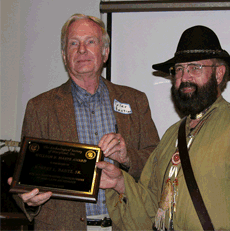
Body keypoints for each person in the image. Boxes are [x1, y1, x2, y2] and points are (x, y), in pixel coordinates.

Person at [97, 25, 230, 230]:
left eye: (195, 68)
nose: (185, 77)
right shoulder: (170, 136)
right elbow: (151, 207)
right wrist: (120, 182)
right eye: (179, 69)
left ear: (219, 74)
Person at [8, 13, 159, 230]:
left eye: (90, 42)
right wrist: (28, 201)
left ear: (105, 52)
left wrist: (127, 158)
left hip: (126, 225)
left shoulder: (135, 100)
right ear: (64, 55)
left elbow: (157, 164)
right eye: (73, 43)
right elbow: (26, 179)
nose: (81, 50)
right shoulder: (39, 107)